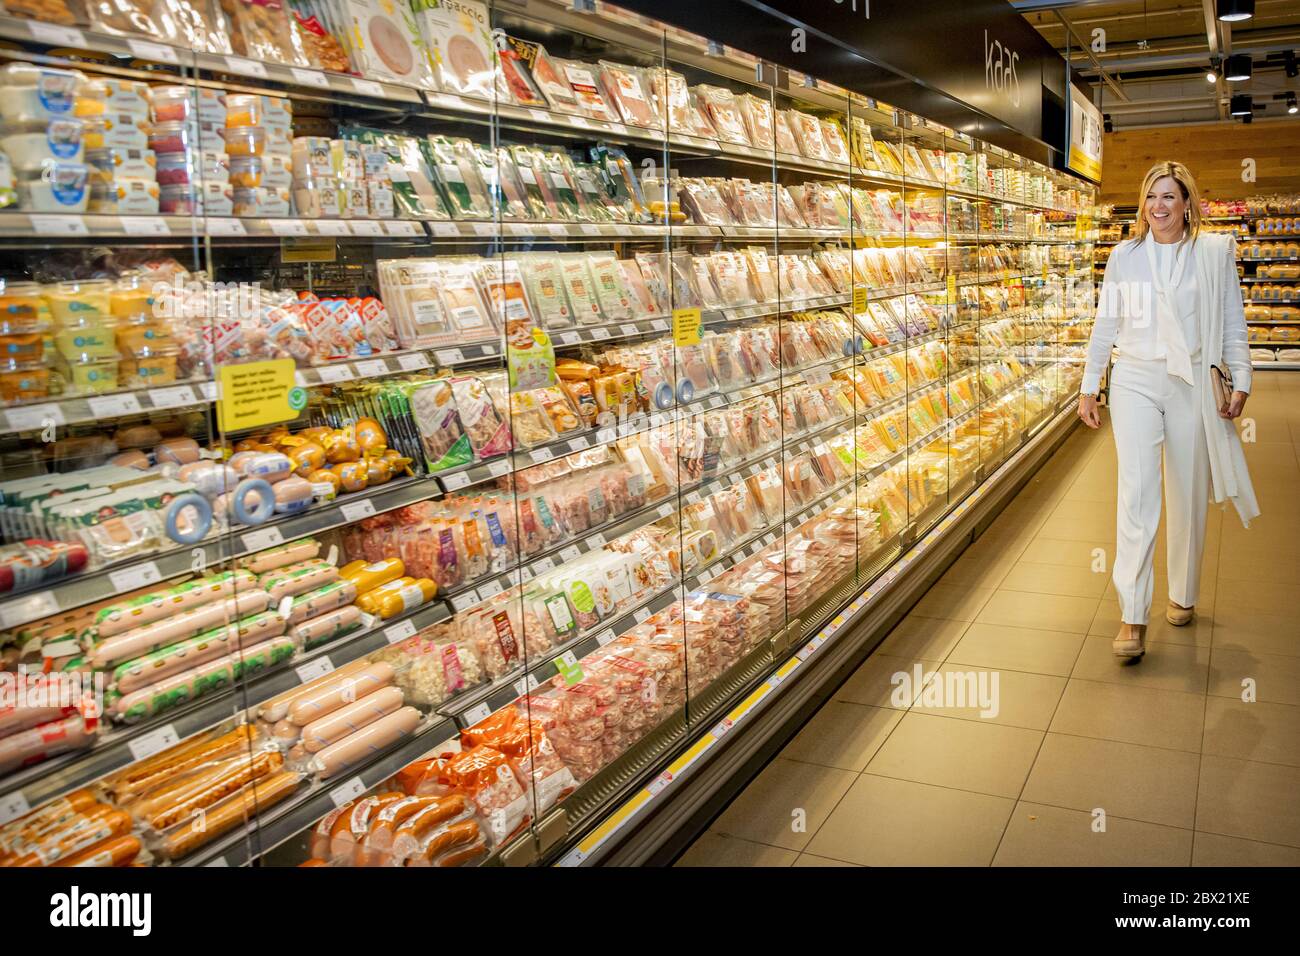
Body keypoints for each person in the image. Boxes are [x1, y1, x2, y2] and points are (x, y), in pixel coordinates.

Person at [1078, 161, 1258, 662]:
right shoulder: (1125, 255)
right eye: (1151, 197)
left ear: (1186, 204)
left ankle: (1183, 590)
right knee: (1137, 492)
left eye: (1169, 198)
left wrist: (1241, 377)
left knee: (1188, 488)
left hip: (1192, 381)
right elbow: (1105, 323)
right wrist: (1090, 386)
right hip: (1135, 378)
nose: (1159, 207)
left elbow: (1230, 320)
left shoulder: (1211, 254)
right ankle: (1133, 615)